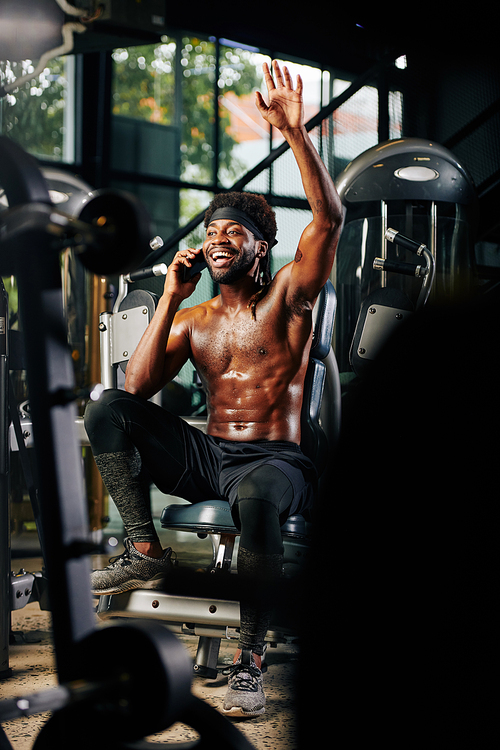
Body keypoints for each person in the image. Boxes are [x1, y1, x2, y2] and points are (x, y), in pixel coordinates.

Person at [84, 60, 343, 718]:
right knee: (105, 405)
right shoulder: (196, 320)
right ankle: (141, 547)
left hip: (276, 462)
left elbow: (330, 220)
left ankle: (249, 661)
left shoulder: (288, 295)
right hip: (209, 455)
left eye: (236, 233)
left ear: (261, 250)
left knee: (257, 498)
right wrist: (171, 295)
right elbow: (136, 392)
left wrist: (295, 132)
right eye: (211, 233)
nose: (219, 240)